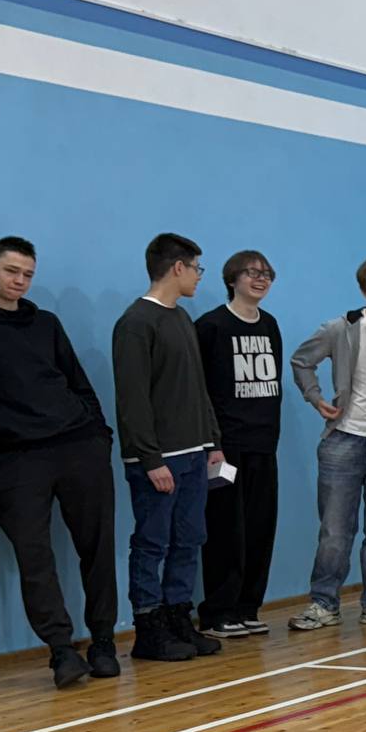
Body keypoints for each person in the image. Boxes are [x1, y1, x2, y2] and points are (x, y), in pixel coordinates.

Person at [0, 235, 120, 688]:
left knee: (97, 547)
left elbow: (78, 382)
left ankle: (104, 641)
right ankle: (61, 651)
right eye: (12, 271)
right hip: (14, 459)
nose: (20, 281)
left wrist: (98, 436)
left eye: (28, 274)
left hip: (78, 446)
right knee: (35, 557)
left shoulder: (46, 323)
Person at [113, 233, 225, 662]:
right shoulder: (136, 323)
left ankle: (180, 616)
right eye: (197, 268)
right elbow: (132, 399)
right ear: (178, 267)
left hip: (194, 452)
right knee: (152, 542)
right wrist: (149, 458)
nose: (198, 276)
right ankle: (149, 627)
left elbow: (197, 387)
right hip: (158, 459)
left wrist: (211, 440)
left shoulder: (181, 319)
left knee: (189, 539)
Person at [288, 255, 366, 632]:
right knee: (336, 530)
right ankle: (324, 602)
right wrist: (315, 397)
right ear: (363, 290)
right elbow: (301, 361)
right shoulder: (342, 328)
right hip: (343, 441)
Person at [195, 249, 284, 640]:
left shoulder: (270, 325)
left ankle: (248, 606)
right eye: (251, 272)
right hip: (225, 449)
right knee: (225, 530)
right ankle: (218, 611)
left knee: (260, 528)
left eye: (266, 273)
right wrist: (211, 443)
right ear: (232, 278)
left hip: (263, 445)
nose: (260, 279)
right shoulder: (211, 326)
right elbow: (201, 391)